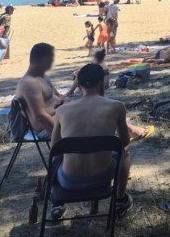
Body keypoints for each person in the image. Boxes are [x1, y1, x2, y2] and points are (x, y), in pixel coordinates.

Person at [51, 63, 133, 219]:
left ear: (79, 84)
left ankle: (57, 203)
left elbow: (55, 148)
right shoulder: (117, 106)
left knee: (56, 159)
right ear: (102, 82)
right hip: (103, 177)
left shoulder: (62, 110)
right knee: (127, 151)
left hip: (68, 181)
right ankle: (120, 200)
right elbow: (124, 142)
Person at [15, 43, 64, 140]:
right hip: (47, 128)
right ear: (45, 59)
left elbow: (59, 96)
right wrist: (62, 133)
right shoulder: (30, 84)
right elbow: (40, 118)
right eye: (51, 58)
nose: (53, 61)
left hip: (60, 118)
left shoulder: (43, 76)